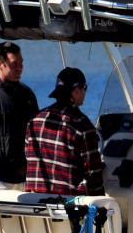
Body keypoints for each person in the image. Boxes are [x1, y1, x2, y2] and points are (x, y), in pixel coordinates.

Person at [25, 67, 105, 196]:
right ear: (76, 91)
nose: (85, 92)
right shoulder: (82, 125)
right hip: (66, 208)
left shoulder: (35, 120)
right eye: (85, 88)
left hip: (34, 204)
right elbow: (93, 177)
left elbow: (28, 157)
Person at [0, 42, 39, 196]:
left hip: (27, 180)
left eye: (21, 62)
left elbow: (36, 134)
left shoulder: (27, 95)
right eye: (14, 64)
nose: (20, 67)